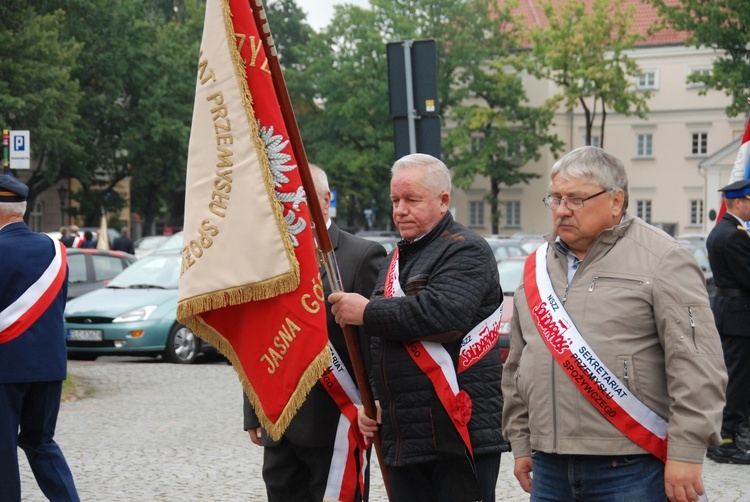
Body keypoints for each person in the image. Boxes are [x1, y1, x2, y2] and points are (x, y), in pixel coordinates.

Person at [501, 146, 727, 502]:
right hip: (549, 467)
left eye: (576, 199)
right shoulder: (537, 266)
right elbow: (518, 363)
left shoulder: (663, 259)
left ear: (616, 201)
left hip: (630, 466)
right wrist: (521, 442)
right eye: (556, 198)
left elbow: (697, 364)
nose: (561, 210)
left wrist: (686, 451)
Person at [329, 153, 505, 502]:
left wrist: (368, 312)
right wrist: (377, 400)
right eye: (395, 200)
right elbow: (383, 346)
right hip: (407, 432)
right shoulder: (399, 257)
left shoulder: (467, 249)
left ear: (443, 201)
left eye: (412, 200)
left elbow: (442, 315)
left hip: (457, 432)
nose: (400, 210)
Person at [243, 164, 387, 502]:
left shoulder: (361, 255)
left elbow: (374, 339)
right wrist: (253, 409)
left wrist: (374, 401)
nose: (289, 207)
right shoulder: (272, 260)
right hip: (279, 422)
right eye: (283, 199)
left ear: (325, 199)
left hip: (336, 422)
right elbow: (257, 339)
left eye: (299, 198)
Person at [0, 175, 80, 501]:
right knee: (40, 442)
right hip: (49, 367)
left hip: (5, 368)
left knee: (3, 452)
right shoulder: (56, 250)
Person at [705, 178, 750, 464]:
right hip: (739, 315)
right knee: (736, 381)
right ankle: (724, 442)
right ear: (739, 202)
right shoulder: (733, 235)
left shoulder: (724, 230)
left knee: (735, 377)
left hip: (732, 312)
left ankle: (730, 436)